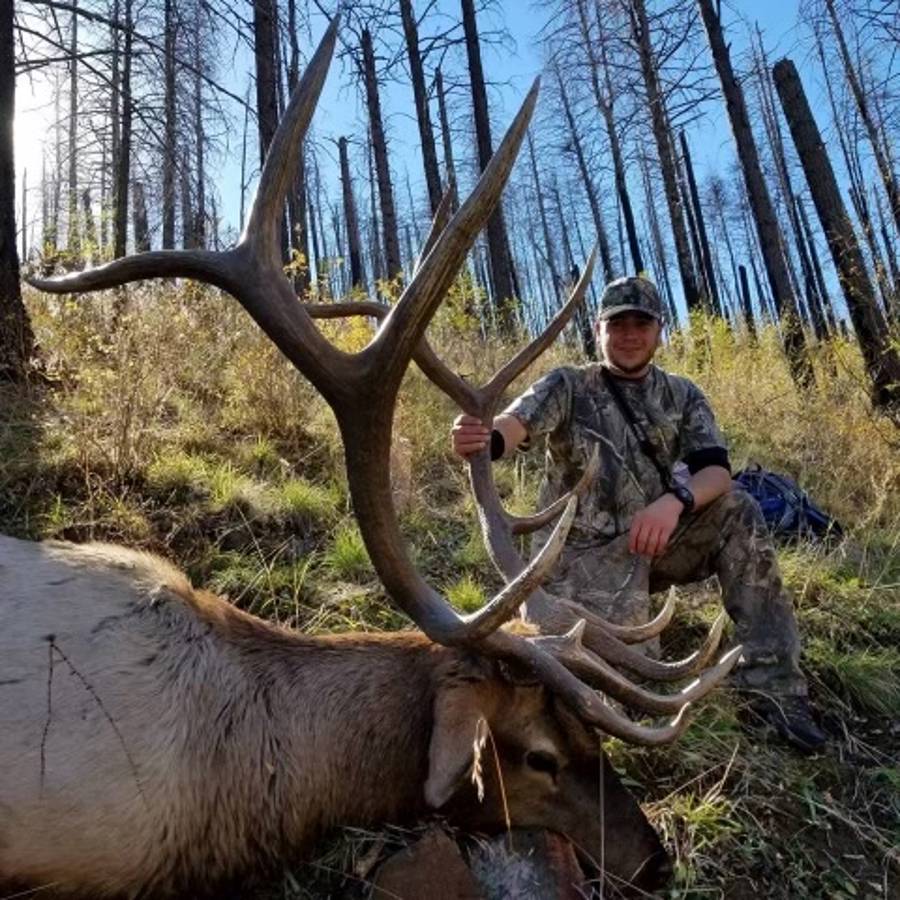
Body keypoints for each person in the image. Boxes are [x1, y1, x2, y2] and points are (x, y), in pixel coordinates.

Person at [452, 275, 826, 753]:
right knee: (623, 700)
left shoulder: (682, 394)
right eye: (617, 324)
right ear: (598, 331)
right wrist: (482, 438)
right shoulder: (567, 384)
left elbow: (717, 474)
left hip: (652, 544)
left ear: (659, 331)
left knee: (740, 510)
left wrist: (676, 503)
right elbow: (513, 426)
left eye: (641, 323)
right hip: (578, 559)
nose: (629, 334)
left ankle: (774, 691)